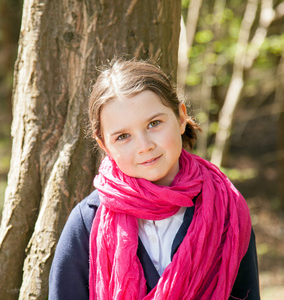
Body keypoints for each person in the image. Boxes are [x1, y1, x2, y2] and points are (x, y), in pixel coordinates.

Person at [49, 59, 260, 299]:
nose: (144, 146)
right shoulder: (87, 221)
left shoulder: (226, 209)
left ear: (181, 117)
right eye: (123, 136)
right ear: (104, 145)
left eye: (154, 123)